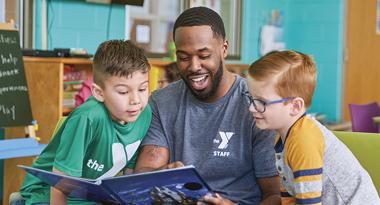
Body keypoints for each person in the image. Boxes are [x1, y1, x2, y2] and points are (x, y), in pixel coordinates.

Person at [135, 7, 281, 205]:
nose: (194, 66)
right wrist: (161, 175)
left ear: (224, 49)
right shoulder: (161, 102)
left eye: (203, 56)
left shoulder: (256, 104)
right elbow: (143, 179)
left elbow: (273, 195)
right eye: (184, 57)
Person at [17, 40, 152, 205]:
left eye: (142, 89)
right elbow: (59, 185)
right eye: (123, 92)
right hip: (46, 193)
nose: (136, 100)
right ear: (98, 92)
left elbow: (128, 173)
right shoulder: (88, 118)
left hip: (89, 195)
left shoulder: (144, 114)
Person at [245, 50, 380, 204]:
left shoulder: (303, 140)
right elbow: (289, 194)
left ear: (295, 106)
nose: (251, 108)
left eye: (261, 102)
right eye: (251, 98)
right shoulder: (282, 136)